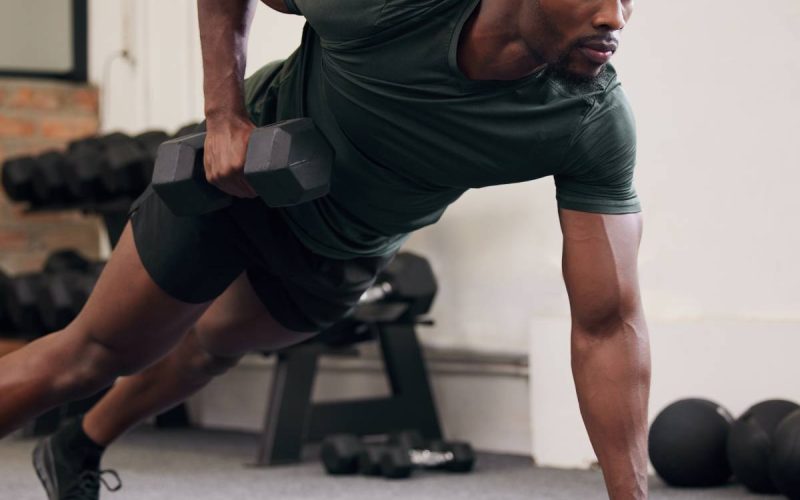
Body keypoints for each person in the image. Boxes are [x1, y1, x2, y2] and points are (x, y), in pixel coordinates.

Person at [0, 0, 649, 498]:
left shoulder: (587, 120)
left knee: (210, 351)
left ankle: (77, 446)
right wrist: (224, 116)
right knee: (94, 355)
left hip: (345, 246)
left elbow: (606, 324)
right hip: (241, 184)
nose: (614, 17)